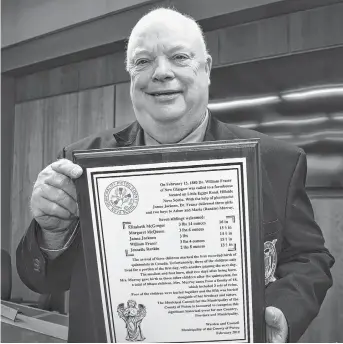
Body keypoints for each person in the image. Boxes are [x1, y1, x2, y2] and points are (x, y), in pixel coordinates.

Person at [17, 8, 334, 343]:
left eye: (179, 57)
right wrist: (52, 234)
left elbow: (308, 258)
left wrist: (283, 310)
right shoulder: (79, 164)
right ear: (130, 77)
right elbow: (42, 281)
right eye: (143, 62)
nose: (161, 72)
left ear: (207, 69)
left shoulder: (278, 162)